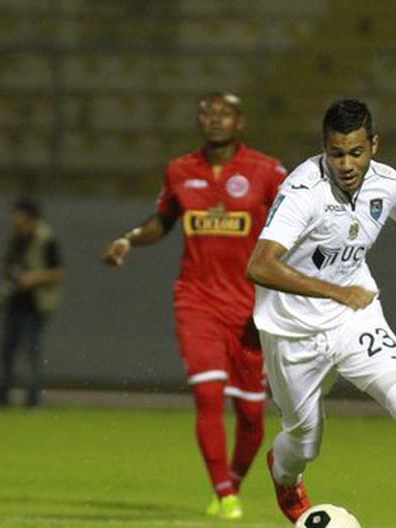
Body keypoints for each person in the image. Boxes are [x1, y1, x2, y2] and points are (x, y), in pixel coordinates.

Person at [246, 98, 396, 527]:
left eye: (356, 152)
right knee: (303, 439)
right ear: (324, 149)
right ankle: (285, 474)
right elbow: (259, 265)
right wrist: (333, 290)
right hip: (292, 331)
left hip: (356, 319)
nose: (346, 164)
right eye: (336, 153)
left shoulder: (387, 184)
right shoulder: (303, 193)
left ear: (374, 144)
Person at [102, 92, 287, 520]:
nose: (215, 119)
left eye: (225, 113)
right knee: (207, 393)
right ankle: (223, 493)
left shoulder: (268, 171)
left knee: (251, 415)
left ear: (240, 123)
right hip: (197, 299)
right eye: (208, 113)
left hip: (251, 308)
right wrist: (128, 238)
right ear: (199, 122)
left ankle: (234, 483)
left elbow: (297, 220)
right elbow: (163, 220)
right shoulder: (180, 170)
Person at [0, 197, 64, 408]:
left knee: (32, 353)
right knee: (6, 351)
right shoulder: (17, 238)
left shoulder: (46, 239)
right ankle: (1, 398)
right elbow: (7, 265)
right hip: (15, 303)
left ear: (30, 217)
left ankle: (33, 400)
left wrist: (33, 278)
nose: (14, 218)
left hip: (35, 305)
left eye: (19, 214)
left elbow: (59, 273)